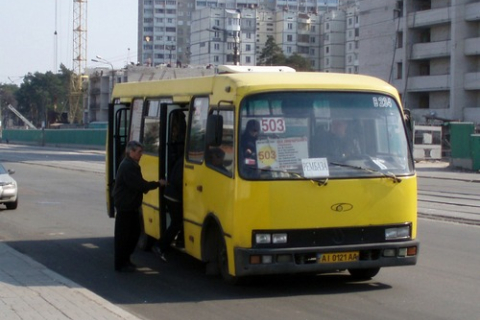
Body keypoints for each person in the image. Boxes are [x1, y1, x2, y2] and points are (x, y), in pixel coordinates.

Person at [113, 141, 160, 272]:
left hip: (130, 206)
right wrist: (157, 184)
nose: (141, 155)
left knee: (133, 234)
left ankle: (125, 260)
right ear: (131, 152)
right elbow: (140, 185)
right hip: (125, 207)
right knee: (125, 236)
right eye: (139, 152)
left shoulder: (131, 164)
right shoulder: (128, 166)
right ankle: (121, 263)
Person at [153, 143, 184, 262]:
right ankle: (159, 246)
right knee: (176, 223)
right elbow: (178, 181)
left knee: (178, 222)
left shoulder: (181, 160)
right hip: (173, 197)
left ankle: (179, 241)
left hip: (171, 195)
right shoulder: (183, 163)